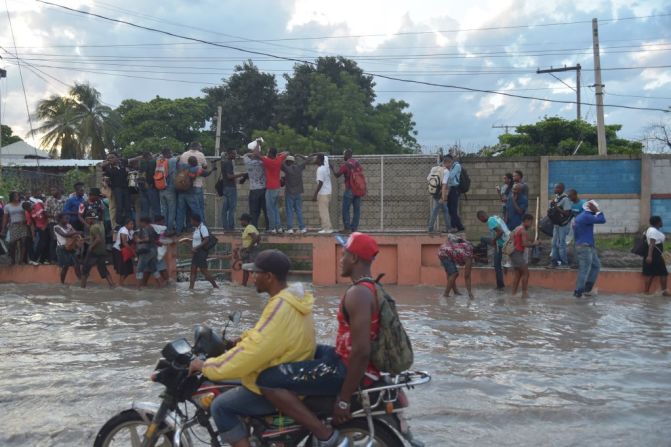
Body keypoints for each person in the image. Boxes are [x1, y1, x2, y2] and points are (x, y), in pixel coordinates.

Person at [255, 232, 381, 447]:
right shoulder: (368, 287)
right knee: (307, 349)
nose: (341, 259)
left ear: (355, 259)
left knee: (267, 380)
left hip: (346, 368)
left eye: (344, 255)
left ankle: (324, 434)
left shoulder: (358, 294)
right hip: (344, 358)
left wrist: (344, 399)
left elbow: (361, 351)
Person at [187, 249, 316, 447]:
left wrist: (206, 366)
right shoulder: (293, 300)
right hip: (289, 373)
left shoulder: (280, 306)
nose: (252, 277)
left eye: (256, 273)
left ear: (269, 277)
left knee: (221, 406)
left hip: (279, 383)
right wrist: (238, 341)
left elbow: (254, 351)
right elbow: (264, 336)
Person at [251, 145, 288, 233]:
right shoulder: (278, 159)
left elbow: (256, 153)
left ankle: (272, 228)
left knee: (270, 209)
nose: (266, 153)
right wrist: (278, 154)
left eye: (268, 152)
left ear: (271, 154)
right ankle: (278, 227)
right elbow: (287, 153)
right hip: (277, 187)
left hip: (270, 188)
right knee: (275, 208)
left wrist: (258, 143)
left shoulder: (267, 161)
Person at [573, 200, 606, 298]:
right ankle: (578, 291)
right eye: (595, 208)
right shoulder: (586, 216)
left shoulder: (580, 216)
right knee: (584, 269)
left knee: (596, 265)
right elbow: (602, 219)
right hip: (585, 247)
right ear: (591, 209)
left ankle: (587, 289)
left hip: (587, 245)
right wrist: (597, 211)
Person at [176, 156, 216, 232]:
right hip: (190, 191)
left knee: (180, 211)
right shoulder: (197, 169)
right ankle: (203, 229)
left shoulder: (183, 166)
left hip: (181, 191)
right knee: (196, 210)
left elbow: (177, 164)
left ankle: (178, 230)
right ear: (196, 162)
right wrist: (212, 169)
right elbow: (206, 173)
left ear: (188, 162)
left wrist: (178, 159)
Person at [477, 210, 510, 291]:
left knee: (497, 266)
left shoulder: (490, 221)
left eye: (480, 220)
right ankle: (500, 285)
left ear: (482, 217)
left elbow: (500, 232)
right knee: (497, 265)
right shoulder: (495, 217)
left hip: (502, 244)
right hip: (504, 242)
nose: (481, 221)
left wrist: (494, 241)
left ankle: (500, 286)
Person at [331, 149, 362, 232]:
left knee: (345, 209)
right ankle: (354, 228)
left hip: (349, 190)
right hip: (358, 190)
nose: (343, 156)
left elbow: (337, 175)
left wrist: (332, 168)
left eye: (344, 155)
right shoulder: (357, 164)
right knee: (357, 210)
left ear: (347, 155)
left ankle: (347, 228)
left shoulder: (346, 165)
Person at [80, 212, 115, 288]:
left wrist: (90, 247)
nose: (86, 221)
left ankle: (82, 288)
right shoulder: (101, 225)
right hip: (102, 251)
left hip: (94, 252)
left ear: (91, 219)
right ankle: (112, 285)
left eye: (87, 219)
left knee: (84, 270)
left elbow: (98, 239)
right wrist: (85, 239)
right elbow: (97, 237)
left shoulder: (93, 227)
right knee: (103, 270)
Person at [510, 214, 539, 299]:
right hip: (517, 254)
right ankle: (524, 294)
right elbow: (524, 243)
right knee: (526, 273)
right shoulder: (523, 230)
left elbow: (513, 238)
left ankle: (513, 294)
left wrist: (531, 240)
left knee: (517, 274)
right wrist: (534, 244)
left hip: (513, 253)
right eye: (531, 222)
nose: (531, 224)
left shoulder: (517, 228)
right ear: (527, 221)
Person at [186, 213, 218, 290]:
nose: (191, 222)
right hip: (196, 252)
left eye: (191, 220)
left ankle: (215, 286)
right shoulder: (196, 229)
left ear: (195, 220)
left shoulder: (203, 228)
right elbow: (197, 240)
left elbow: (206, 239)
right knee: (193, 270)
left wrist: (196, 247)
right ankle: (191, 288)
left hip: (201, 252)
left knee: (204, 271)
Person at [243, 138, 269, 230]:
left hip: (253, 190)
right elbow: (262, 156)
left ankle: (254, 228)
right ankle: (268, 228)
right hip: (263, 189)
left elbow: (246, 155)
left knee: (254, 212)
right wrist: (258, 150)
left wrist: (253, 152)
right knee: (266, 210)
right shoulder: (263, 162)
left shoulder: (247, 161)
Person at [179, 142, 208, 223]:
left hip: (184, 185)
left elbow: (181, 166)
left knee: (185, 209)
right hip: (197, 185)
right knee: (199, 208)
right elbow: (205, 166)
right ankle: (202, 226)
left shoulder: (184, 154)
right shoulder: (201, 155)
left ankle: (185, 227)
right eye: (200, 147)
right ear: (197, 147)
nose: (201, 148)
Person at [438, 233, 474, 299]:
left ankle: (455, 291)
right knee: (454, 274)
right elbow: (467, 276)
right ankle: (446, 294)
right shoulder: (469, 256)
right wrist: (470, 293)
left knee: (451, 273)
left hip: (446, 250)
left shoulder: (468, 247)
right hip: (444, 253)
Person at [0, 191, 30, 265]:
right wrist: (3, 228)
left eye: (17, 195)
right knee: (12, 243)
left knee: (23, 242)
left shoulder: (23, 203)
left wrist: (26, 220)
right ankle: (13, 260)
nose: (17, 197)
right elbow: (5, 218)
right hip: (13, 226)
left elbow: (29, 212)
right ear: (12, 197)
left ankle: (21, 260)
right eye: (15, 195)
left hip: (23, 225)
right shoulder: (7, 206)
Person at [102, 152, 131, 227]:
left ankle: (129, 223)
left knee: (127, 206)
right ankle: (119, 224)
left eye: (112, 157)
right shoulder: (108, 168)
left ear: (117, 157)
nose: (110, 159)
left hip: (126, 188)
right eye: (108, 158)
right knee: (119, 206)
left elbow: (133, 159)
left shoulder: (122, 164)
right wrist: (105, 180)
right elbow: (100, 169)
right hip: (116, 189)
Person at [282, 154, 309, 234]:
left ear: (287, 162)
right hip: (298, 193)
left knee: (289, 211)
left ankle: (290, 228)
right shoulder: (299, 168)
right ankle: (302, 228)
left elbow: (279, 162)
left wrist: (283, 156)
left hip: (289, 193)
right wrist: (300, 155)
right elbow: (307, 160)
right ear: (293, 161)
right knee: (299, 211)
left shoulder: (287, 168)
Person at [220, 149, 246, 231]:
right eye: (234, 154)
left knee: (225, 209)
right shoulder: (229, 163)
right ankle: (231, 227)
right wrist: (241, 174)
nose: (235, 155)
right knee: (232, 208)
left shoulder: (223, 163)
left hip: (226, 187)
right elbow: (229, 176)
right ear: (229, 154)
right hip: (231, 188)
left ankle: (225, 227)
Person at [548, 183, 573, 268]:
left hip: (563, 225)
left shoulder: (565, 199)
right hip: (556, 224)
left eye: (557, 188)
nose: (555, 189)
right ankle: (554, 262)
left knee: (561, 244)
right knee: (554, 243)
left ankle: (564, 263)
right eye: (555, 188)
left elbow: (567, 213)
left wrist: (556, 207)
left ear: (562, 189)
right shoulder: (556, 198)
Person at [643, 216, 668, 296]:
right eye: (661, 221)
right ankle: (664, 291)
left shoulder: (650, 230)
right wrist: (650, 256)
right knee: (663, 273)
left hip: (652, 253)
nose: (662, 223)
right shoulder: (653, 231)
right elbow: (652, 244)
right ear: (658, 222)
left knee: (650, 273)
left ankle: (646, 292)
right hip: (655, 254)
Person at [54, 212, 82, 284]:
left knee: (77, 264)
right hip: (62, 248)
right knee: (65, 266)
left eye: (68, 218)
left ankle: (81, 281)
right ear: (60, 219)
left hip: (71, 247)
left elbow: (75, 233)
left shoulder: (69, 225)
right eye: (66, 218)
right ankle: (62, 283)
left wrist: (77, 234)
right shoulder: (56, 227)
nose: (68, 220)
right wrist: (77, 232)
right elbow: (65, 235)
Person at [441, 155, 465, 232]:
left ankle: (453, 227)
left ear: (451, 161)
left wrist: (446, 169)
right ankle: (460, 226)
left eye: (447, 162)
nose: (446, 164)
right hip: (449, 189)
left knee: (453, 209)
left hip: (455, 189)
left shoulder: (457, 166)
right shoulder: (449, 167)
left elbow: (450, 176)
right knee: (450, 209)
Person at [156, 148, 178, 231]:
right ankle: (169, 229)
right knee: (172, 210)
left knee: (164, 210)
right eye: (171, 152)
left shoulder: (159, 161)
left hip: (161, 188)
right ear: (168, 153)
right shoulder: (172, 161)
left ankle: (163, 229)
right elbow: (173, 175)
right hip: (170, 189)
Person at [135, 216, 159, 289]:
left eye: (140, 222)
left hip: (146, 251)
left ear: (144, 222)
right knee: (154, 268)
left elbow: (147, 238)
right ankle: (159, 285)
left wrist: (140, 240)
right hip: (154, 250)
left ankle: (138, 287)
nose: (140, 224)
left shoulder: (145, 229)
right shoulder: (152, 228)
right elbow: (156, 238)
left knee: (139, 269)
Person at [427, 157, 450, 233]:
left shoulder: (434, 168)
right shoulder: (446, 171)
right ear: (447, 163)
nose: (450, 165)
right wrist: (443, 197)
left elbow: (428, 179)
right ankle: (430, 228)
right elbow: (444, 185)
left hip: (434, 191)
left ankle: (448, 228)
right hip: (440, 193)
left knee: (445, 209)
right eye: (450, 163)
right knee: (436, 210)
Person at [25, 198, 50, 265]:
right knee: (41, 243)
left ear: (31, 205)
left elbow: (47, 215)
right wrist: (33, 235)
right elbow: (31, 224)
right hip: (40, 227)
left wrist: (45, 225)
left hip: (47, 224)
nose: (30, 211)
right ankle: (35, 259)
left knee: (47, 243)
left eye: (30, 209)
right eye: (28, 210)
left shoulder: (38, 205)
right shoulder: (27, 212)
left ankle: (43, 259)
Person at [314, 154, 333, 234]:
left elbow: (320, 183)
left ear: (320, 160)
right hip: (328, 192)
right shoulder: (326, 168)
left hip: (323, 193)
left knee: (323, 212)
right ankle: (327, 227)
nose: (315, 160)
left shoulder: (320, 169)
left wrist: (315, 194)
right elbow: (325, 157)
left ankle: (327, 229)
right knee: (325, 211)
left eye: (316, 158)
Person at [239, 213, 261, 287]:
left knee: (252, 268)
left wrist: (249, 248)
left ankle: (257, 285)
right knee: (246, 268)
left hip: (251, 251)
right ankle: (244, 285)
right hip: (250, 250)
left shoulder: (249, 227)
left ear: (245, 221)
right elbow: (258, 237)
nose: (240, 222)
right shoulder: (251, 227)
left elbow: (255, 238)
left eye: (241, 221)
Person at [113, 218, 135, 286]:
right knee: (123, 269)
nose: (132, 225)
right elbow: (124, 243)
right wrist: (133, 251)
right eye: (130, 224)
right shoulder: (123, 230)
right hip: (119, 251)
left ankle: (120, 284)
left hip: (126, 251)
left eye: (133, 224)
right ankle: (120, 284)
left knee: (128, 269)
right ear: (126, 224)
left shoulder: (131, 231)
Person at [45, 188, 66, 262]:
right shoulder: (49, 200)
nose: (52, 192)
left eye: (54, 190)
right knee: (54, 240)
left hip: (63, 223)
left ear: (59, 190)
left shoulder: (64, 199)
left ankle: (61, 258)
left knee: (63, 240)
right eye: (51, 190)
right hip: (53, 222)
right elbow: (46, 212)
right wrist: (54, 216)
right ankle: (53, 258)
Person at [138, 151, 161, 219]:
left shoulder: (141, 163)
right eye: (151, 155)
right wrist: (147, 183)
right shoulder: (151, 162)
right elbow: (145, 174)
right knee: (155, 207)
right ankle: (157, 224)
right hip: (150, 186)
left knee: (145, 208)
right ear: (148, 156)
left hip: (142, 188)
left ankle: (145, 225)